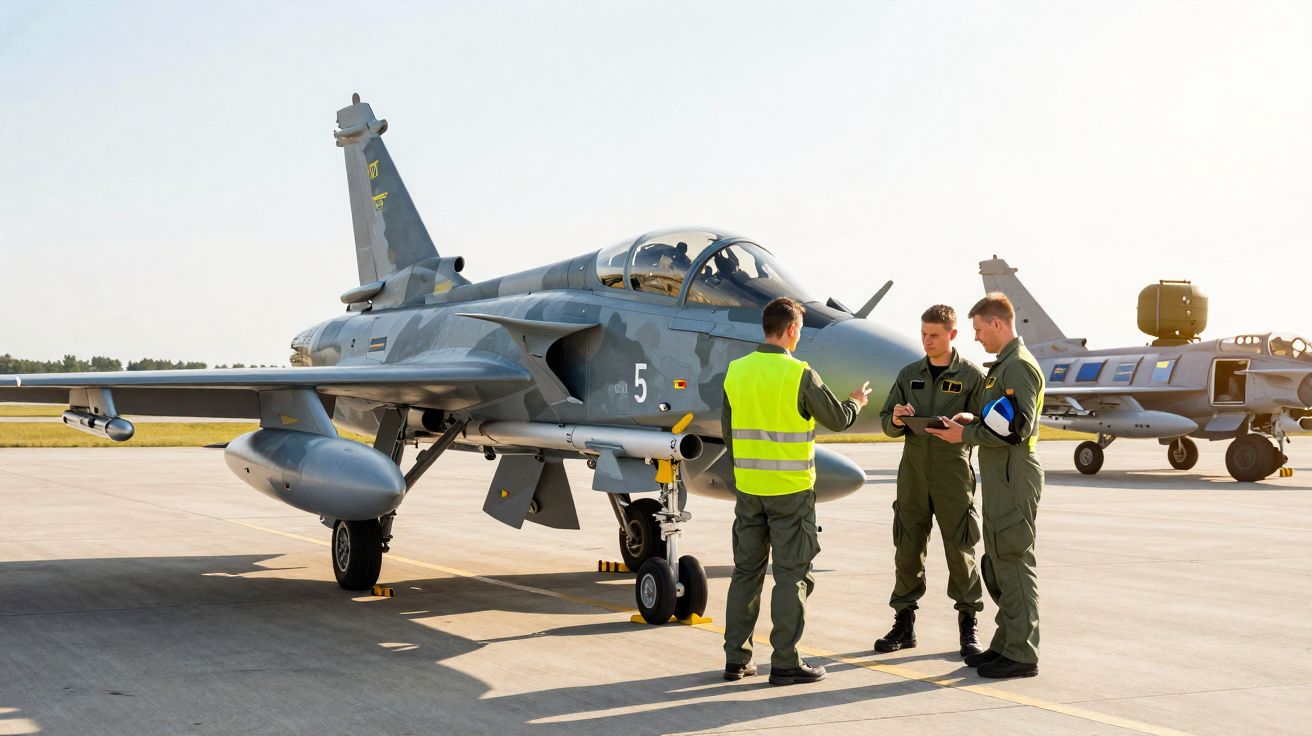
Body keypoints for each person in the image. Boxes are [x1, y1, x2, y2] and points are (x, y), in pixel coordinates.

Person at [721, 296, 872, 685]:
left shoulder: (735, 372)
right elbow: (836, 420)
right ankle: (785, 661)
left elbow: (729, 434)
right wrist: (855, 402)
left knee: (746, 574)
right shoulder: (799, 374)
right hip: (790, 493)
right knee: (791, 577)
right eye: (799, 331)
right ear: (790, 330)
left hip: (749, 490)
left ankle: (737, 660)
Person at [927, 293, 1044, 679]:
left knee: (1013, 559)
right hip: (1000, 473)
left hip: (1013, 473)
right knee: (998, 560)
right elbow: (998, 418)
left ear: (997, 324)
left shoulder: (1019, 368)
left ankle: (1022, 653)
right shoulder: (1002, 367)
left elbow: (1017, 428)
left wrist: (967, 433)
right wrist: (971, 418)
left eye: (978, 329)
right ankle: (1006, 643)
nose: (976, 338)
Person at [876, 305, 985, 657]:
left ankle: (968, 627)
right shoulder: (909, 374)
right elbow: (886, 422)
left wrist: (969, 421)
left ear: (953, 335)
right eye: (923, 333)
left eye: (934, 335)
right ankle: (903, 624)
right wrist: (896, 418)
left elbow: (987, 422)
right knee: (907, 548)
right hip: (913, 473)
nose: (927, 341)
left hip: (953, 473)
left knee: (960, 549)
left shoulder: (972, 377)